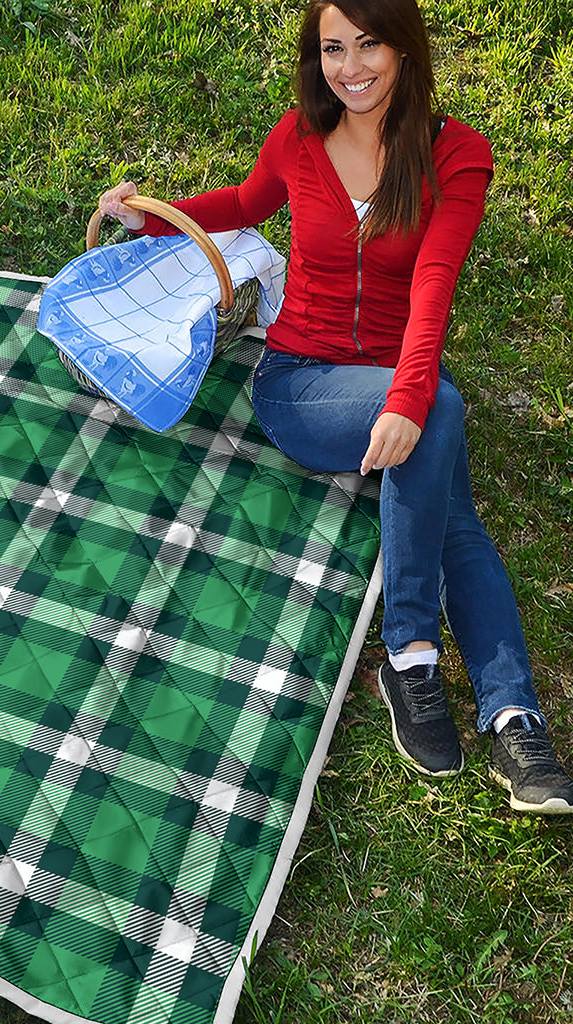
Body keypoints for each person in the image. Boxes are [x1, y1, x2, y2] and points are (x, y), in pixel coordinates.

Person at [97, 0, 573, 814]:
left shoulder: (456, 155)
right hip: (300, 383)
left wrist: (410, 397)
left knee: (447, 476)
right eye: (332, 49)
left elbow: (434, 284)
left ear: (405, 48)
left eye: (369, 44)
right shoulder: (299, 137)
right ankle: (417, 655)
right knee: (442, 421)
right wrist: (152, 221)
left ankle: (508, 714)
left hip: (392, 375)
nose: (350, 67)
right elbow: (245, 205)